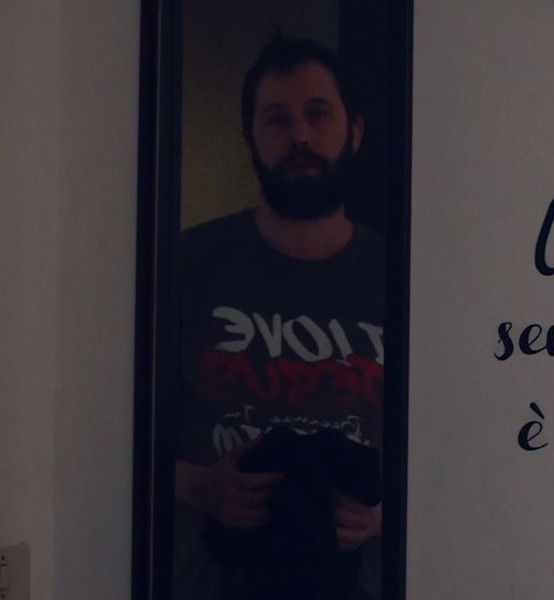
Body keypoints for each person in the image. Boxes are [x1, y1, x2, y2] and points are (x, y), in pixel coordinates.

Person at [173, 34, 385, 600]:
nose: (300, 136)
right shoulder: (183, 265)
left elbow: (457, 446)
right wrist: (198, 485)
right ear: (249, 140)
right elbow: (104, 431)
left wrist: (386, 511)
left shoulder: (405, 280)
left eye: (318, 114)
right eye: (277, 119)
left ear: (354, 132)